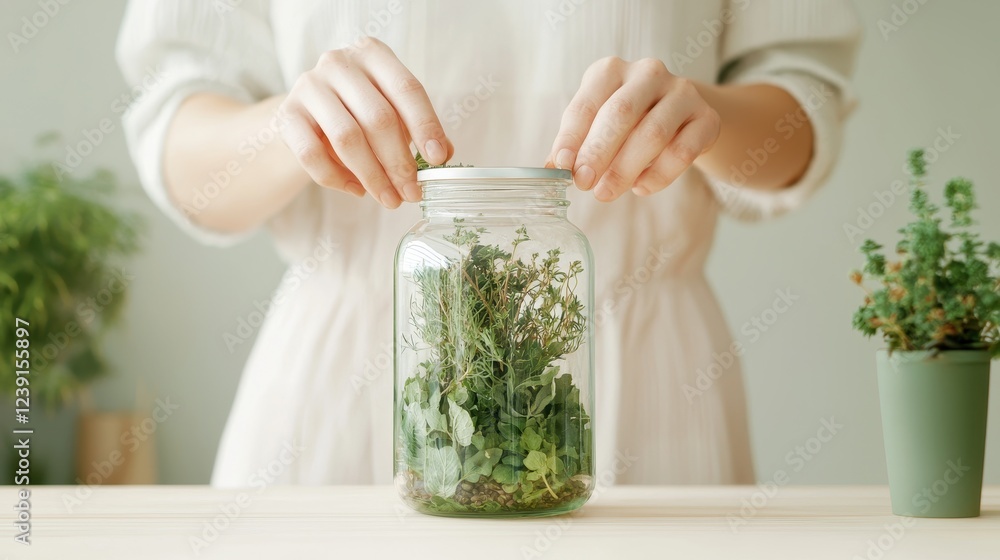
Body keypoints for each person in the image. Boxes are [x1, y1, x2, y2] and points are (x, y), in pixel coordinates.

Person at [116, 0, 860, 486]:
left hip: (648, 384)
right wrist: (290, 125)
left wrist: (706, 115)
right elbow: (176, 125)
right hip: (336, 398)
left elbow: (804, 100)